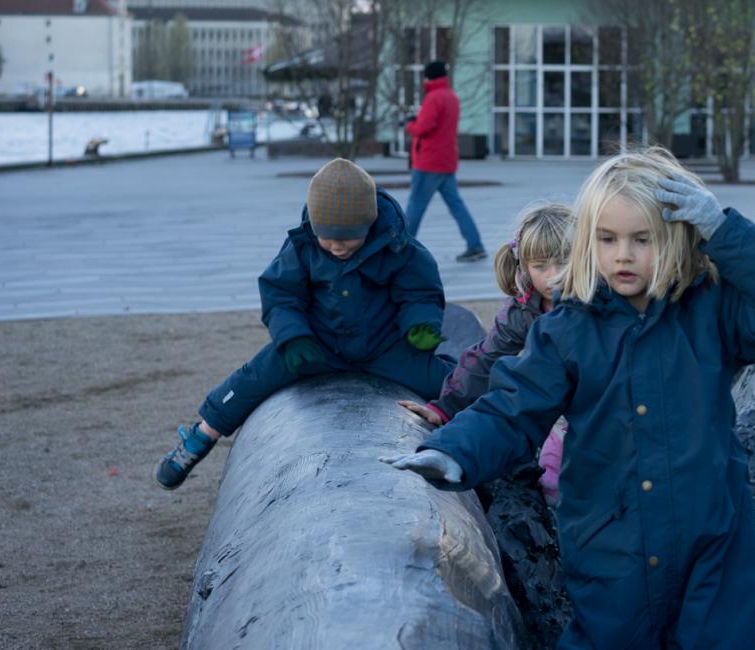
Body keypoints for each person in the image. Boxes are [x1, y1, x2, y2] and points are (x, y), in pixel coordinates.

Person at [382, 147, 755, 647]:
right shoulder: (567, 329)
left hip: (712, 539)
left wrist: (722, 229)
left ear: (679, 238)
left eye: (642, 239)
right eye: (607, 239)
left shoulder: (709, 313)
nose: (623, 255)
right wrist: (454, 451)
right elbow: (513, 408)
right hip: (612, 545)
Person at [155, 158, 455, 490]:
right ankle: (201, 435)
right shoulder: (302, 245)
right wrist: (292, 336)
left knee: (446, 381)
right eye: (327, 238)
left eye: (349, 238)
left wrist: (421, 326)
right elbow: (281, 294)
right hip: (317, 343)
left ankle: (486, 432)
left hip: (383, 347)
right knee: (255, 375)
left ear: (369, 226)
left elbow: (419, 294)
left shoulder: (400, 248)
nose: (337, 246)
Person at [397, 203, 574, 504]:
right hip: (559, 406)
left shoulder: (599, 304)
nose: (554, 275)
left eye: (563, 263)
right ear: (524, 268)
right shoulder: (523, 311)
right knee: (553, 477)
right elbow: (486, 358)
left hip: (605, 408)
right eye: (541, 266)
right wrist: (445, 407)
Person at [404, 60, 486, 262]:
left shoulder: (433, 98)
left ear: (429, 76)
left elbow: (424, 127)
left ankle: (401, 247)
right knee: (457, 206)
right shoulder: (451, 97)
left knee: (415, 205)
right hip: (446, 161)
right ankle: (475, 245)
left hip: (428, 162)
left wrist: (409, 125)